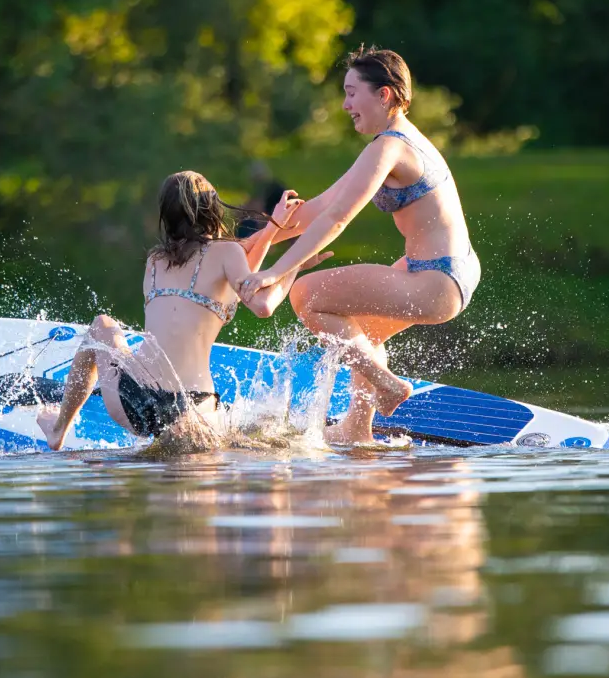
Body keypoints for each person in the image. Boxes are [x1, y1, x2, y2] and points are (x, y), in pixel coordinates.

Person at [239, 47, 478, 445]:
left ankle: (388, 385)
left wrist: (275, 272)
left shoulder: (390, 146)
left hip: (438, 278)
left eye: (352, 92)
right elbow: (318, 209)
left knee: (306, 295)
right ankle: (357, 428)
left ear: (383, 95)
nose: (346, 104)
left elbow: (337, 219)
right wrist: (251, 240)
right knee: (362, 335)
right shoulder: (392, 143)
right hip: (444, 271)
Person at [37, 170, 328, 452]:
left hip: (132, 401)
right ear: (212, 210)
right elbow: (260, 301)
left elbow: (237, 266)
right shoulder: (227, 254)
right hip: (192, 410)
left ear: (167, 216)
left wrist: (273, 226)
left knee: (102, 325)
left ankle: (59, 428)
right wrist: (295, 264)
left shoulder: (155, 261)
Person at [233, 160, 288, 239]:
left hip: (274, 217)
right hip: (271, 217)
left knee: (248, 224)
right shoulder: (263, 187)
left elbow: (258, 208)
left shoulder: (268, 188)